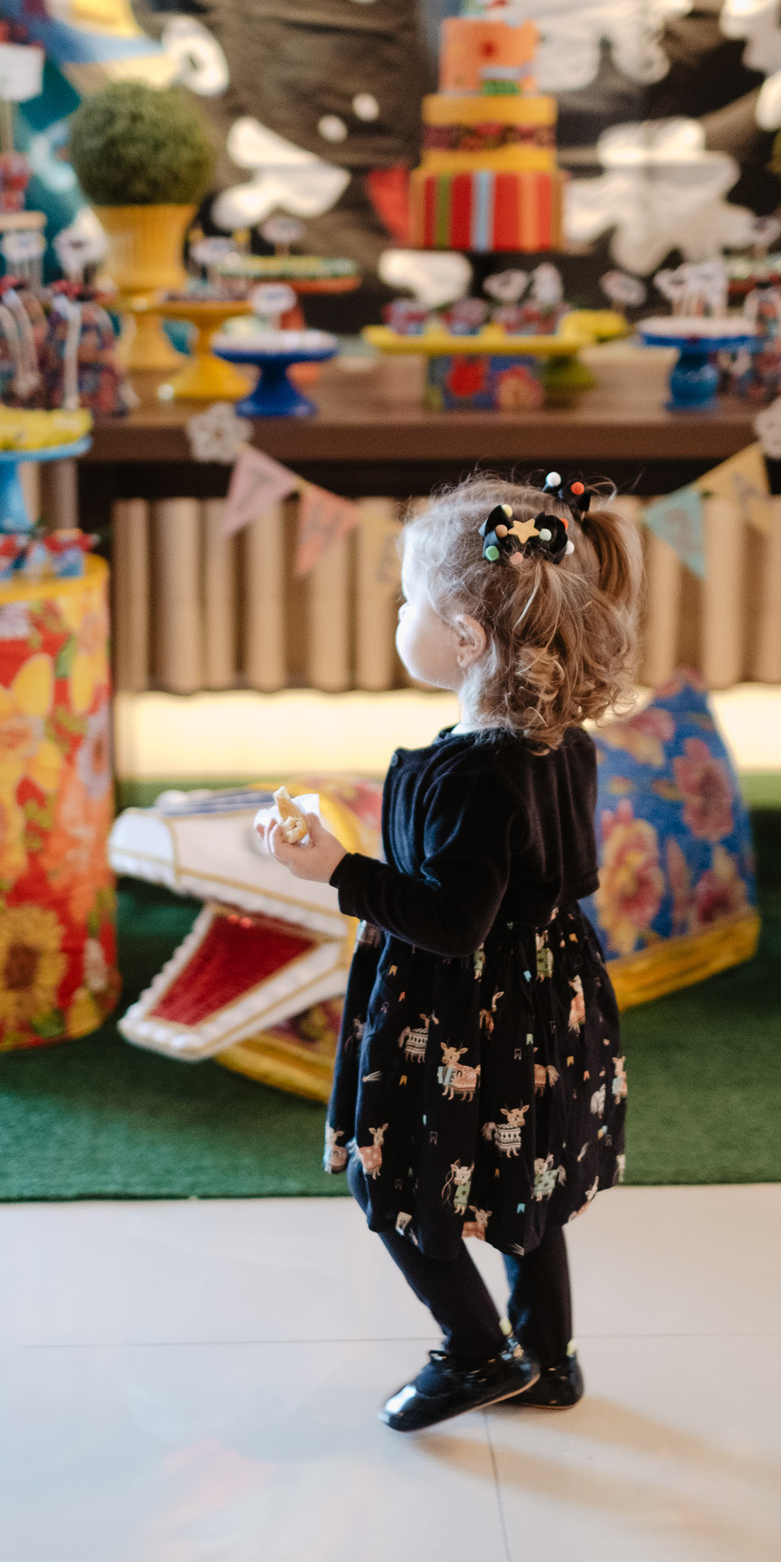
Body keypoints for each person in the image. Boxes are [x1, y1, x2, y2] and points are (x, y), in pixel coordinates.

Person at [256, 470, 641, 1431]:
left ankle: (474, 1353)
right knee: (528, 1187)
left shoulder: (470, 774)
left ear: (467, 639)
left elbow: (455, 919)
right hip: (548, 992)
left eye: (408, 602)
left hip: (465, 1016)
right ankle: (548, 1363)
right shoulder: (558, 741)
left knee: (391, 1185)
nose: (398, 614)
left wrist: (336, 870)